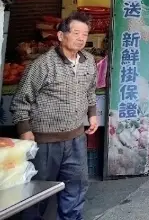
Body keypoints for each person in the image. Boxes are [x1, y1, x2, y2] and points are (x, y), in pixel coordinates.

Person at [12, 12, 98, 220]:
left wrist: (92, 114)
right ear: (60, 36)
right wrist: (25, 131)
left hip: (76, 138)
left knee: (76, 188)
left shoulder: (88, 61)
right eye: (75, 33)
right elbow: (21, 100)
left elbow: (90, 91)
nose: (80, 38)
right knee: (37, 192)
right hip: (45, 140)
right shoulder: (42, 65)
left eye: (84, 34)